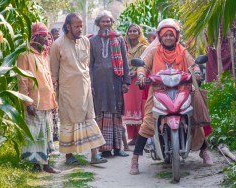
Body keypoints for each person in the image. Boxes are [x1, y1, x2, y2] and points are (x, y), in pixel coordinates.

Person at [129, 19, 213, 175]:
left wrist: (196, 72)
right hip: (158, 91)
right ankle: (135, 159)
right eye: (165, 35)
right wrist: (141, 75)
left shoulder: (182, 51)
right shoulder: (154, 51)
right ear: (160, 37)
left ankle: (203, 151)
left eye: (171, 35)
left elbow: (193, 64)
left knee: (194, 116)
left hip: (182, 89)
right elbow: (143, 65)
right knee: (148, 121)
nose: (168, 37)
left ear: (176, 36)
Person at [50, 13, 107, 165]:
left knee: (90, 119)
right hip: (67, 92)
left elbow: (86, 65)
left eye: (81, 26)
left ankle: (95, 155)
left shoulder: (86, 41)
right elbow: (54, 73)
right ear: (68, 26)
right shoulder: (57, 45)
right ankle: (69, 156)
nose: (80, 29)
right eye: (76, 26)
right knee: (68, 122)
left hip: (85, 89)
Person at [17, 22, 60, 173]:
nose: (47, 39)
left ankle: (46, 164)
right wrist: (27, 102)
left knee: (46, 134)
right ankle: (36, 166)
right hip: (34, 102)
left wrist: (53, 99)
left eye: (48, 36)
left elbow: (48, 78)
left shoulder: (44, 56)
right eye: (44, 36)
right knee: (35, 134)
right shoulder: (25, 55)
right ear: (36, 36)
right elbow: (22, 81)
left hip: (47, 101)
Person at [89, 10, 131, 157]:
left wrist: (126, 81)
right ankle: (104, 149)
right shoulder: (92, 41)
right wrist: (91, 84)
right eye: (103, 21)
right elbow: (90, 64)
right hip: (99, 83)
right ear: (98, 24)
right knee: (101, 111)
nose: (106, 24)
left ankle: (118, 147)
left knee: (116, 113)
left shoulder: (119, 40)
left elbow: (125, 61)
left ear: (112, 23)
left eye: (108, 21)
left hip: (116, 82)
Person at [123, 24, 149, 146]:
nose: (132, 33)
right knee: (129, 108)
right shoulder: (124, 47)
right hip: (127, 80)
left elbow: (146, 63)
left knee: (140, 107)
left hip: (139, 81)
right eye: (130, 31)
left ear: (139, 33)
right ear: (127, 33)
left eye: (135, 31)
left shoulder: (144, 48)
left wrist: (137, 72)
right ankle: (132, 136)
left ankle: (141, 136)